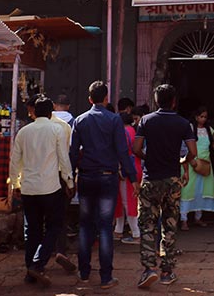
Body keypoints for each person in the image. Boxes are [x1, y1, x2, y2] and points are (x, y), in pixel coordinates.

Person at [70, 81, 137, 289]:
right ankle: (106, 276)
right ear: (106, 98)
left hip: (86, 176)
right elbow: (122, 152)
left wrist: (69, 177)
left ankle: (83, 272)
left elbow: (72, 153)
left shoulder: (80, 120)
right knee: (105, 227)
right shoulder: (114, 120)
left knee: (85, 226)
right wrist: (132, 177)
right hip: (108, 176)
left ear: (89, 99)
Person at [133, 84, 197, 289]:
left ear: (155, 100)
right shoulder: (183, 123)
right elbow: (193, 152)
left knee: (147, 225)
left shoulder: (146, 120)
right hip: (172, 179)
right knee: (169, 226)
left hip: (151, 178)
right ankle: (167, 271)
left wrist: (148, 157)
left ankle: (148, 269)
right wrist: (182, 161)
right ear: (174, 101)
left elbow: (135, 148)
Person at [9, 96, 74, 287]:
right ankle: (38, 263)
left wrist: (15, 184)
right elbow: (64, 159)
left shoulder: (24, 132)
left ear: (34, 112)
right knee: (54, 226)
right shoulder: (56, 130)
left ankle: (31, 270)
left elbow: (15, 161)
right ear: (50, 112)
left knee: (33, 230)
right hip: (50, 187)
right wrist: (69, 182)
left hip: (29, 188)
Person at [179, 107, 214, 229]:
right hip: (191, 162)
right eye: (201, 116)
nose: (203, 119)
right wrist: (190, 160)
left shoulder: (209, 130)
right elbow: (184, 146)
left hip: (205, 164)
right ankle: (183, 219)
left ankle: (198, 218)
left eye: (205, 117)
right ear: (196, 117)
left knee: (201, 191)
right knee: (188, 190)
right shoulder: (189, 128)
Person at [113, 110, 141, 244]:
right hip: (134, 167)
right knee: (127, 201)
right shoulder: (133, 130)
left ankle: (136, 234)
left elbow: (122, 152)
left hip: (125, 170)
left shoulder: (123, 132)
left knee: (126, 202)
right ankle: (119, 231)